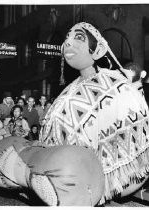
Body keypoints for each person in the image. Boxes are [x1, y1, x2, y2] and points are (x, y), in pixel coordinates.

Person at [40, 22, 149, 204]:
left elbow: (131, 110)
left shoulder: (114, 82)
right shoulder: (69, 92)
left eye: (78, 38)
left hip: (111, 171)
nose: (68, 43)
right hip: (74, 170)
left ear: (97, 50)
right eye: (67, 38)